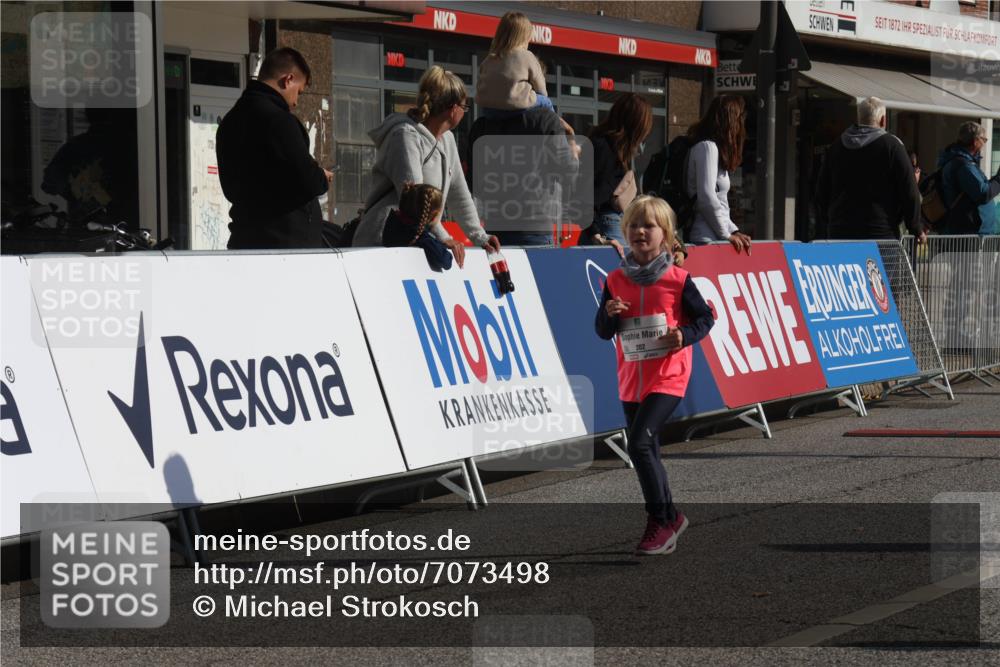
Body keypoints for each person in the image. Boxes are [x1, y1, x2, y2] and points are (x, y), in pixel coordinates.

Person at [594, 195, 715, 556]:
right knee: (649, 449)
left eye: (648, 226)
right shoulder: (615, 279)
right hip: (631, 378)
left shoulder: (678, 280)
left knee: (639, 445)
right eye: (633, 225)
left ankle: (659, 523)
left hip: (668, 376)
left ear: (666, 234)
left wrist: (683, 336)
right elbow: (602, 331)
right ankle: (672, 516)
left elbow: (705, 318)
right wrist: (609, 314)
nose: (640, 232)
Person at [354, 66, 499, 265]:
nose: (465, 112)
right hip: (382, 241)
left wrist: (480, 236)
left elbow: (459, 195)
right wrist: (444, 237)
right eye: (465, 107)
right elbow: (416, 202)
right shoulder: (405, 136)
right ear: (453, 109)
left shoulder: (447, 140)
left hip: (413, 241)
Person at [216, 47, 333, 249]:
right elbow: (308, 179)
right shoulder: (279, 121)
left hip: (244, 237)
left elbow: (232, 189)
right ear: (288, 79)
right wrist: (321, 176)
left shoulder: (229, 121)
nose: (296, 102)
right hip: (285, 244)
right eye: (298, 92)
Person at [814, 96, 923, 241]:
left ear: (859, 118)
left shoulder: (836, 146)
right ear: (883, 120)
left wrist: (830, 221)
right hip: (880, 234)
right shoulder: (892, 146)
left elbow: (821, 192)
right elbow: (909, 191)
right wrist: (916, 229)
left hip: (840, 234)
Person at [580, 93, 653, 248]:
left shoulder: (612, 148)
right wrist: (596, 234)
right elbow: (586, 196)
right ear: (636, 125)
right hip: (606, 226)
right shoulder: (605, 149)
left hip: (608, 225)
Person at [685, 95, 752, 254]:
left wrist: (733, 231)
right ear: (730, 121)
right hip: (704, 238)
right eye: (739, 120)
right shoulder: (707, 148)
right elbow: (707, 197)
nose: (741, 126)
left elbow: (720, 202)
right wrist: (726, 234)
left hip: (714, 236)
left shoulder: (713, 150)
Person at [936, 121, 1000, 235]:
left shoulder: (964, 162)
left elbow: (983, 188)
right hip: (969, 235)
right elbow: (983, 193)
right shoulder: (964, 166)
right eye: (984, 140)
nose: (984, 144)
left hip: (972, 233)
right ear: (975, 141)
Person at [381, 182, 454, 272]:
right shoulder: (421, 238)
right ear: (434, 215)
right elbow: (445, 261)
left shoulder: (393, 223)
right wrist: (442, 246)